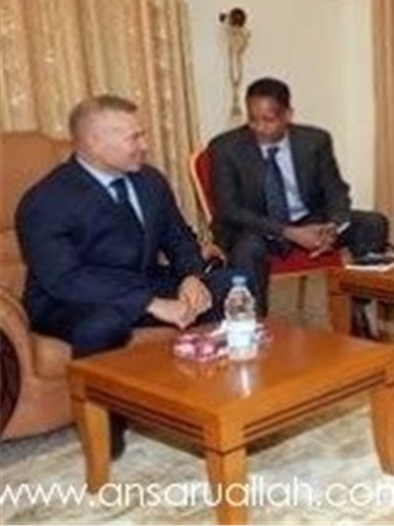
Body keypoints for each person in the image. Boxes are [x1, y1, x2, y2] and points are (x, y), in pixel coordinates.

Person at [16, 95, 249, 459]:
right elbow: (65, 279)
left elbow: (179, 237)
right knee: (102, 324)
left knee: (230, 286)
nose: (145, 145)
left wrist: (191, 277)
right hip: (69, 300)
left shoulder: (149, 181)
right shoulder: (46, 200)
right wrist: (151, 304)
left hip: (143, 282)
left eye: (143, 134)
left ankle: (228, 403)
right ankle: (104, 437)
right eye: (134, 137)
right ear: (94, 141)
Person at [208, 77, 389, 316]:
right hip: (256, 226)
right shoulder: (225, 147)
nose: (259, 127)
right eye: (253, 119)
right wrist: (289, 232)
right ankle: (255, 323)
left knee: (373, 223)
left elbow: (335, 189)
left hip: (308, 220)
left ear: (288, 115)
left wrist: (333, 226)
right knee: (248, 250)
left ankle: (355, 309)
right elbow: (229, 209)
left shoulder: (314, 141)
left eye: (268, 120)